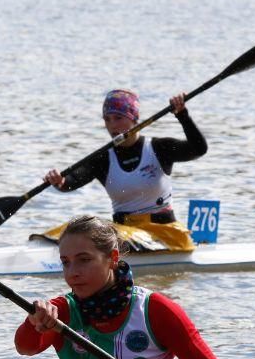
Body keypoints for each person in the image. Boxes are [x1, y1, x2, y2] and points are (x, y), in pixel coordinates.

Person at [14, 215, 235, 359]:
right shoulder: (61, 312)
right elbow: (25, 347)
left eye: (84, 260)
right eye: (65, 262)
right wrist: (33, 322)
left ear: (112, 258)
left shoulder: (155, 310)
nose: (72, 273)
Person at [39, 89, 208, 252]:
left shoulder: (159, 148)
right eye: (107, 119)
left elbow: (199, 149)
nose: (112, 126)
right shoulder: (103, 158)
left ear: (134, 119)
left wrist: (182, 114)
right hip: (124, 233)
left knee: (89, 234)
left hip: (164, 234)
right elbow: (71, 181)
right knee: (73, 229)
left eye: (118, 118)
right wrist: (59, 181)